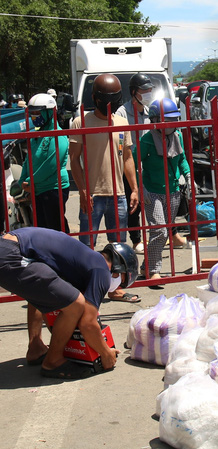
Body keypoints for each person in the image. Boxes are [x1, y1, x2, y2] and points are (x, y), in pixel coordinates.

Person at [0, 227, 137, 379]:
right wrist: (106, 353)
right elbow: (88, 324)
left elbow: (44, 292)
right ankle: (53, 361)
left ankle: (35, 347)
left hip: (9, 247)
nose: (117, 286)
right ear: (119, 269)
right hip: (13, 254)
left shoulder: (84, 259)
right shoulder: (102, 270)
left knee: (43, 289)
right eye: (122, 282)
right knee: (76, 304)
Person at [69, 73, 141, 303]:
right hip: (92, 195)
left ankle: (114, 289)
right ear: (95, 97)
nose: (109, 104)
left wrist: (134, 189)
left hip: (118, 193)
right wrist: (82, 190)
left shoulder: (121, 123)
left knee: (118, 246)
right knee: (86, 246)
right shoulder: (81, 122)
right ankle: (83, 288)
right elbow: (74, 160)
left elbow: (127, 157)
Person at [138, 98, 190, 280]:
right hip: (152, 192)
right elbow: (134, 165)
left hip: (174, 190)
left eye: (175, 119)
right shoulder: (146, 140)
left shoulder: (178, 136)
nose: (173, 124)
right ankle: (154, 271)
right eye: (169, 120)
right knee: (159, 230)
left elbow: (181, 158)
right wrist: (140, 188)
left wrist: (189, 176)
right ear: (155, 120)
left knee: (163, 231)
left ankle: (147, 266)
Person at [19, 93, 70, 232]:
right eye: (32, 113)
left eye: (38, 112)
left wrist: (30, 181)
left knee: (55, 227)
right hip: (37, 189)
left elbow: (51, 165)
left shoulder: (58, 135)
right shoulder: (36, 134)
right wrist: (22, 180)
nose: (34, 116)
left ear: (49, 112)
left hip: (53, 188)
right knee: (42, 228)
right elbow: (28, 160)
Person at [116, 72, 155, 254]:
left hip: (149, 164)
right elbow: (119, 144)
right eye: (144, 90)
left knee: (158, 201)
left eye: (150, 89)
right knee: (134, 205)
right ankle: (136, 240)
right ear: (133, 92)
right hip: (130, 164)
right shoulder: (122, 113)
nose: (148, 92)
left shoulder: (150, 111)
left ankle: (172, 234)